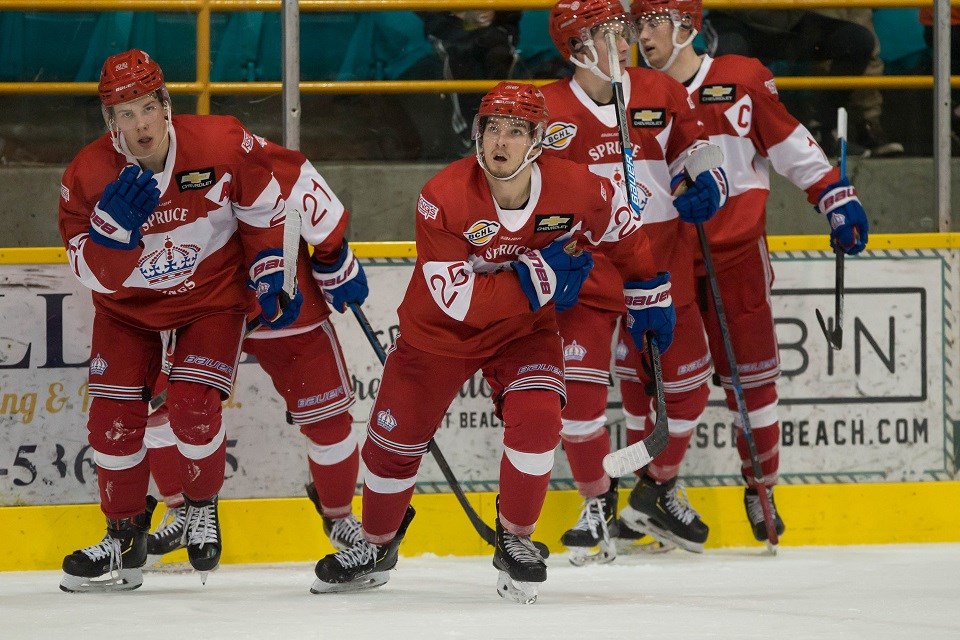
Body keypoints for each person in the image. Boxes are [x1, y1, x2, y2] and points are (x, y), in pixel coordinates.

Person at [310, 81, 674, 604]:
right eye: (492, 129)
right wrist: (540, 275)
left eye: (516, 131)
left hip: (525, 334)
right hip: (437, 334)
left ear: (539, 140)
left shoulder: (579, 189)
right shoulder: (443, 196)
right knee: (391, 447)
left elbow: (623, 232)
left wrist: (648, 290)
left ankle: (517, 540)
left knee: (539, 418)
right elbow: (458, 299)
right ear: (477, 135)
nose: (501, 142)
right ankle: (376, 545)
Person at [57, 49, 301, 592]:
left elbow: (265, 209)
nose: (140, 125)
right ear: (109, 121)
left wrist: (268, 272)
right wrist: (112, 235)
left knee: (193, 402)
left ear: (166, 103)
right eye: (125, 114)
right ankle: (124, 539)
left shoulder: (219, 142)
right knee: (111, 422)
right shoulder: (88, 175)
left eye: (147, 107)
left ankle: (199, 508)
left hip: (210, 297)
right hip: (128, 310)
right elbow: (94, 278)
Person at [629, 0, 870, 543]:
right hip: (662, 263)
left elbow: (790, 145)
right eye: (637, 23)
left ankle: (761, 488)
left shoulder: (740, 79)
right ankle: (657, 488)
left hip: (735, 257)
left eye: (653, 22)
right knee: (669, 384)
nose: (643, 34)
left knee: (753, 380)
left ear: (687, 27)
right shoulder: (632, 96)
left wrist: (834, 197)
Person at [539, 0, 727, 560]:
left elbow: (695, 149)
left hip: (664, 261)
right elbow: (530, 195)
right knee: (578, 406)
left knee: (689, 386)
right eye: (607, 34)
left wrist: (706, 179)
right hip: (589, 272)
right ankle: (598, 502)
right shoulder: (547, 111)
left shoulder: (660, 92)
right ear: (576, 47)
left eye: (624, 31)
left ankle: (654, 488)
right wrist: (547, 256)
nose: (624, 42)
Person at [142, 140, 369, 563]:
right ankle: (181, 512)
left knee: (328, 416)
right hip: (212, 304)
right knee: (164, 403)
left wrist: (334, 255)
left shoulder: (261, 156)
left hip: (287, 300)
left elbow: (315, 199)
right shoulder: (166, 166)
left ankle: (338, 516)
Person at [702, 7, 900, 157]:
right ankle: (719, 140)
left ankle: (822, 131)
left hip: (789, 23)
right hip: (736, 20)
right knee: (728, 57)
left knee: (857, 40)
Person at [416, 11, 522, 148]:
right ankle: (469, 138)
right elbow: (424, 10)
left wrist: (496, 12)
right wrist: (459, 13)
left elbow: (514, 11)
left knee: (500, 57)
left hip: (495, 29)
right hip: (447, 30)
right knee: (457, 61)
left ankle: (503, 131)